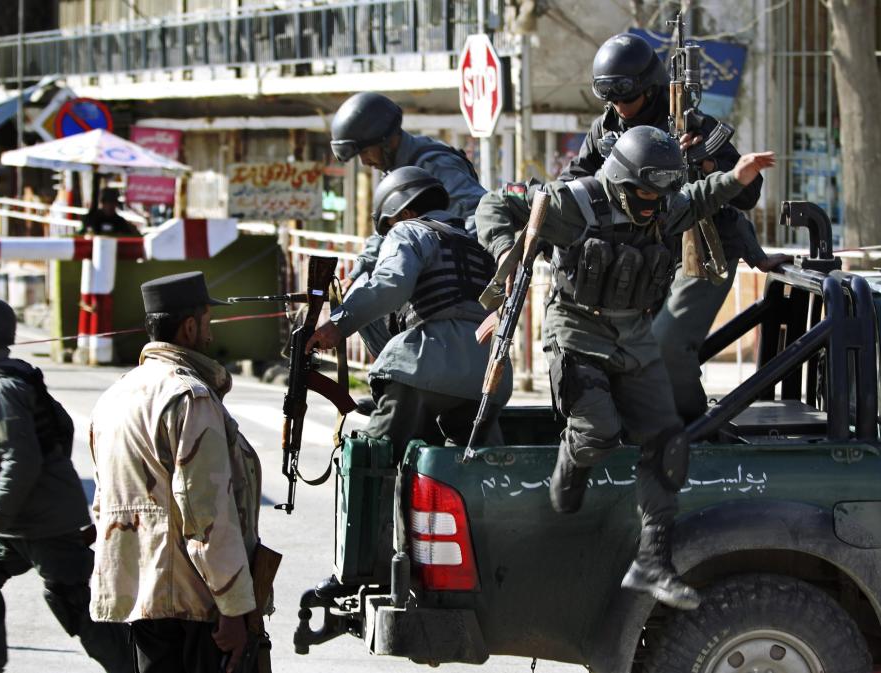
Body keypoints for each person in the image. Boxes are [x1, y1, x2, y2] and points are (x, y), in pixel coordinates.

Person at [475, 125, 776, 610]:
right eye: (645, 194)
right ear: (620, 180)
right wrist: (505, 253)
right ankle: (568, 474)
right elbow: (496, 203)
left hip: (634, 336)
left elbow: (696, 200)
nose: (654, 204)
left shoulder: (661, 205)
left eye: (661, 196)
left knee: (667, 442)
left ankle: (653, 562)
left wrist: (736, 178)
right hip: (577, 330)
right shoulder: (575, 203)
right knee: (598, 431)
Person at [561, 33, 792, 422]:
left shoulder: (698, 127)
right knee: (620, 350)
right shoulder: (605, 130)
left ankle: (692, 429)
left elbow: (747, 195)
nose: (620, 107)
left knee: (667, 344)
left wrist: (703, 164)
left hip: (703, 245)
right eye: (611, 99)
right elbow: (573, 181)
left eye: (626, 97)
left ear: (650, 90)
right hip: (643, 253)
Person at [305, 166, 511, 596]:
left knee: (372, 463)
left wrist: (335, 326)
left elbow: (390, 286)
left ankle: (359, 573)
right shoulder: (476, 242)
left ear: (406, 209)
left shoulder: (412, 232)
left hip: (426, 366)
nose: (389, 232)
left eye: (389, 223)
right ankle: (489, 574)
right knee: (476, 477)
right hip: (487, 379)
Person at [88, 271, 265, 673]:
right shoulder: (189, 396)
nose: (209, 332)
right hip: (193, 606)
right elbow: (207, 514)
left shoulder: (115, 395)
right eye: (206, 321)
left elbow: (103, 502)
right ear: (189, 326)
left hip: (140, 597)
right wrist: (234, 607)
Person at [0, 294, 129, 673]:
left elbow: (21, 460)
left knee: (75, 599)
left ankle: (132, 667)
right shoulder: (9, 375)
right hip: (25, 517)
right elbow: (61, 430)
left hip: (43, 521)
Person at [330, 92, 487, 339]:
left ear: (387, 141)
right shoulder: (398, 171)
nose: (364, 162)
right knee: (360, 296)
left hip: (454, 288)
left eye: (366, 151)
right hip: (426, 277)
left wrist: (442, 257)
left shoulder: (436, 165)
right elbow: (384, 232)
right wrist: (356, 272)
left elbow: (480, 214)